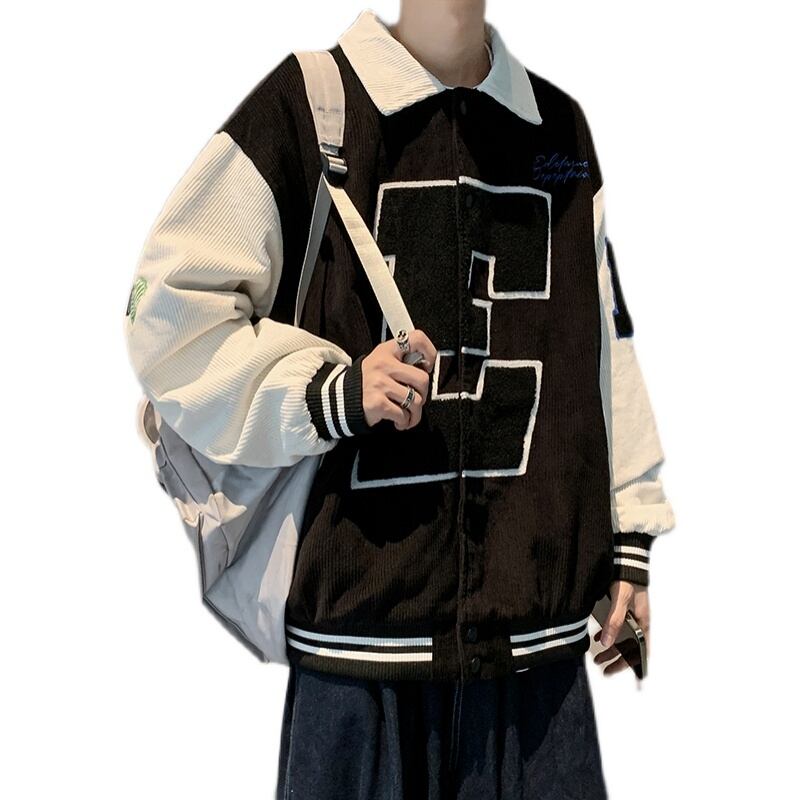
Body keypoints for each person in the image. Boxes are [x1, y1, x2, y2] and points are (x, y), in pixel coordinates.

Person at [124, 2, 675, 797]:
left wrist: (630, 537)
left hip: (539, 662)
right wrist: (330, 394)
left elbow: (601, 343)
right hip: (358, 661)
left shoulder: (557, 129)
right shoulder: (308, 106)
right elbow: (170, 315)